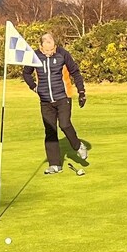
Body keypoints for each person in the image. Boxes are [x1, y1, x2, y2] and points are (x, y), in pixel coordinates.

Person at [21, 32, 88, 174]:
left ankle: (78, 146)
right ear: (41, 46)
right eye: (47, 50)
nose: (50, 52)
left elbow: (75, 72)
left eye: (52, 49)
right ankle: (55, 165)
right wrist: (33, 87)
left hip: (63, 97)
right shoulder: (35, 56)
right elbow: (26, 73)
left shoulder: (62, 54)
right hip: (45, 100)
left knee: (64, 124)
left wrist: (81, 92)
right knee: (50, 131)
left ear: (55, 46)